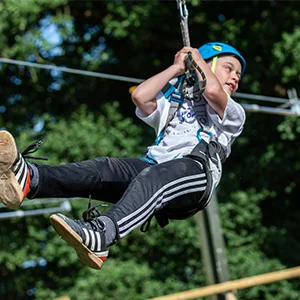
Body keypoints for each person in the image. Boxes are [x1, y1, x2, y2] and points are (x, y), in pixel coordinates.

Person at [0, 42, 246, 270]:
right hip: (153, 166)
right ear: (209, 64)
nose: (235, 76)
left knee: (156, 176)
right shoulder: (177, 101)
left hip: (194, 176)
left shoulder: (234, 113)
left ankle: (102, 235)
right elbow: (140, 96)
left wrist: (198, 61)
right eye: (229, 68)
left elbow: (212, 91)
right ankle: (31, 178)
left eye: (238, 74)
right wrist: (177, 68)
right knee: (104, 169)